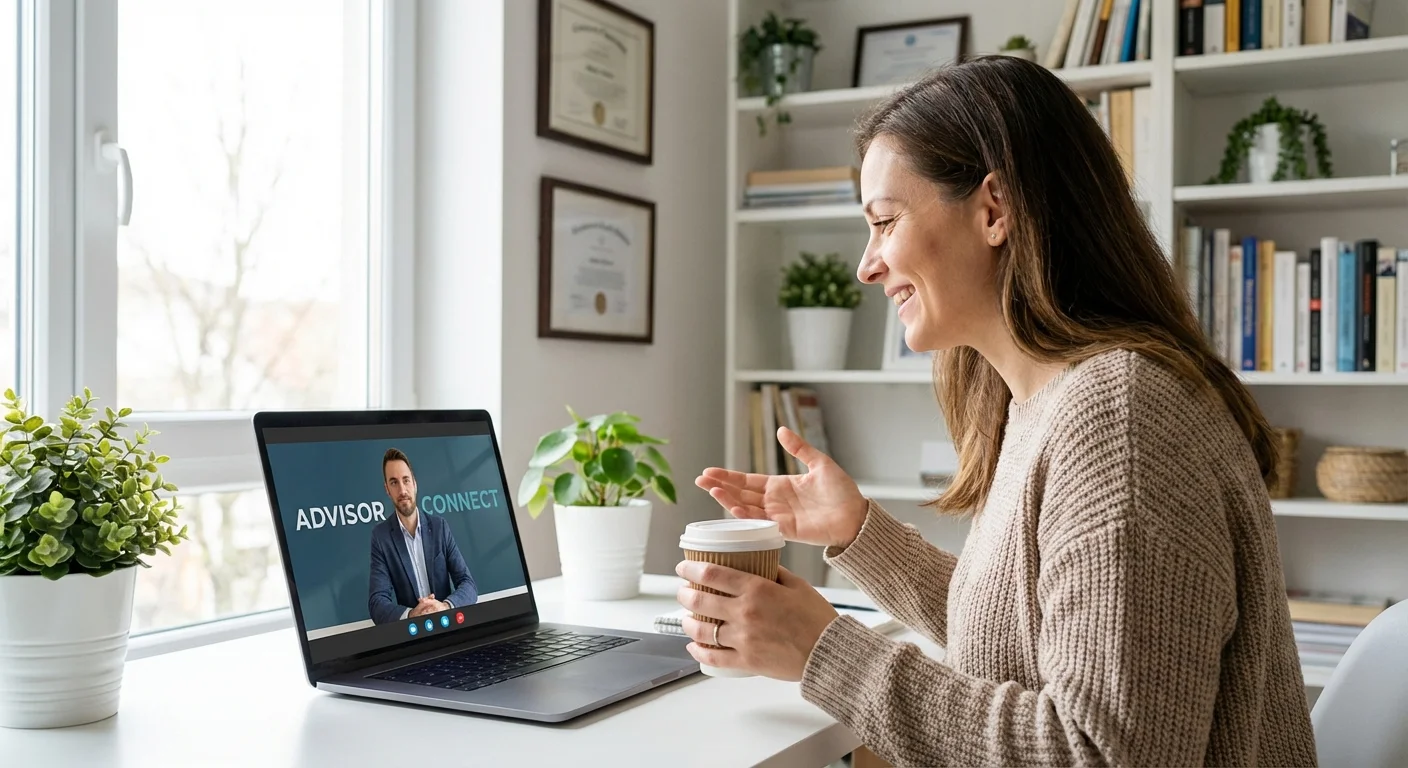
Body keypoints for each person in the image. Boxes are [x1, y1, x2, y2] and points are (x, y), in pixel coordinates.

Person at [678, 56, 1317, 766]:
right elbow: (1016, 636)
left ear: (994, 210)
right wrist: (860, 532)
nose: (867, 265)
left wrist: (822, 651)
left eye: (884, 221)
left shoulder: (1120, 418)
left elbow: (1100, 754)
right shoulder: (1043, 403)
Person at [368, 448, 477, 624]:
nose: (402, 490)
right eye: (394, 483)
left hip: (447, 625)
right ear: (387, 489)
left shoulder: (440, 527)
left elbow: (467, 584)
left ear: (414, 483)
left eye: (406, 480)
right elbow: (377, 603)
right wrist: (412, 615)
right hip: (413, 633)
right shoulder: (381, 537)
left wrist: (445, 607)